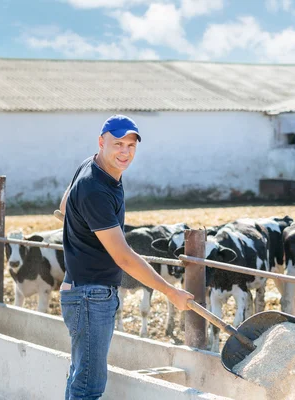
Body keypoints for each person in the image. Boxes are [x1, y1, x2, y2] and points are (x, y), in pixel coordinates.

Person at [58, 114, 194, 400]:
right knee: (88, 387)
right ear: (101, 142)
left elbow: (64, 202)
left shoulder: (91, 165)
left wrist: (77, 222)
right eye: (118, 143)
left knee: (79, 376)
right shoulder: (95, 189)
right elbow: (124, 258)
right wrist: (170, 291)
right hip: (90, 295)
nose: (125, 152)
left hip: (82, 289)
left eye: (131, 145)